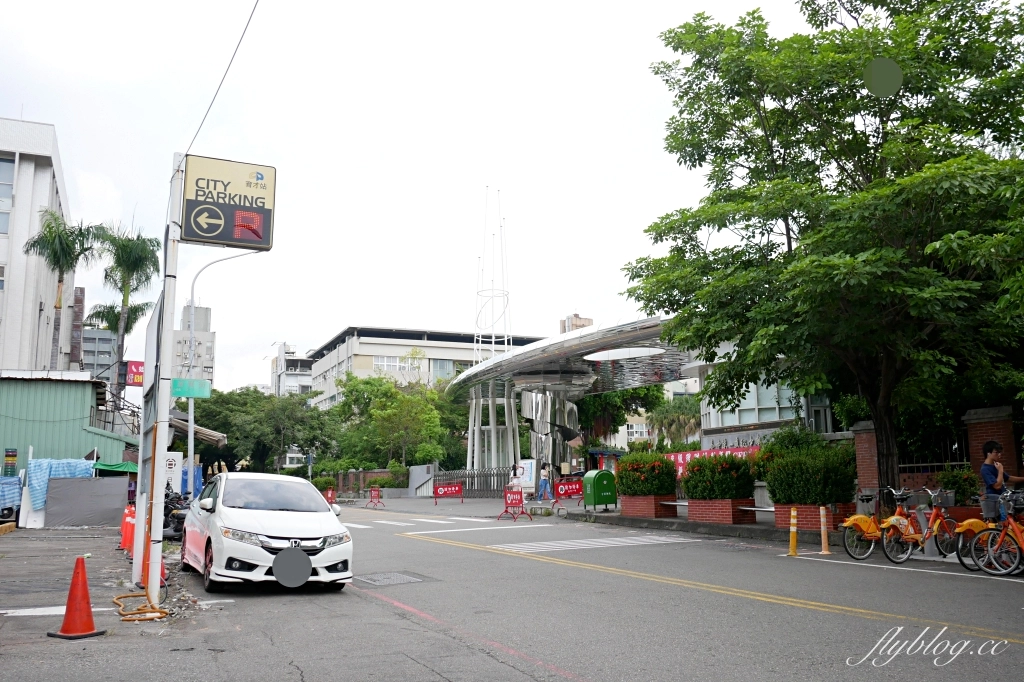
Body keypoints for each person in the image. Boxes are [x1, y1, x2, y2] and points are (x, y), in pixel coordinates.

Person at [979, 440, 1024, 522]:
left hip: (1004, 499)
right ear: (988, 453)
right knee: (1004, 523)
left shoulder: (995, 465)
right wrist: (1000, 470)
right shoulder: (985, 469)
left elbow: (1008, 478)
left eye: (1000, 452)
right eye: (996, 452)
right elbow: (997, 486)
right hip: (996, 501)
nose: (999, 455)